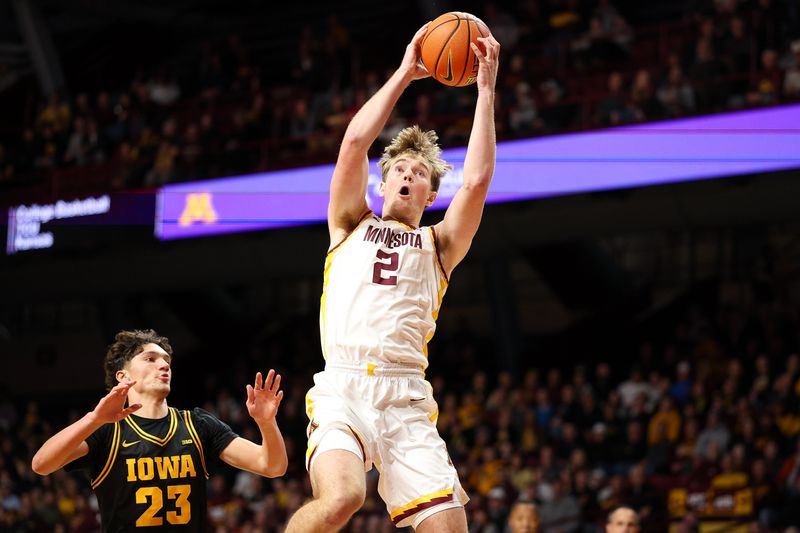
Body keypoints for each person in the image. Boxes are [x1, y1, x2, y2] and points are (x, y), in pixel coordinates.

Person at [285, 21, 500, 533]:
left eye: (420, 173)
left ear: (430, 196)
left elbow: (477, 180)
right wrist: (406, 71)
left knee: (451, 528)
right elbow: (355, 141)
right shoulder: (348, 223)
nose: (409, 175)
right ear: (383, 184)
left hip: (406, 398)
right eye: (401, 169)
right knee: (342, 499)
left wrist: (486, 90)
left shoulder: (440, 244)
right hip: (345, 384)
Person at [31, 329, 288, 532]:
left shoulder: (198, 424)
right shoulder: (107, 430)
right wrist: (94, 419)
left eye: (166, 361)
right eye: (150, 359)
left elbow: (272, 466)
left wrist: (267, 423)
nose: (164, 365)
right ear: (123, 376)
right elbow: (41, 464)